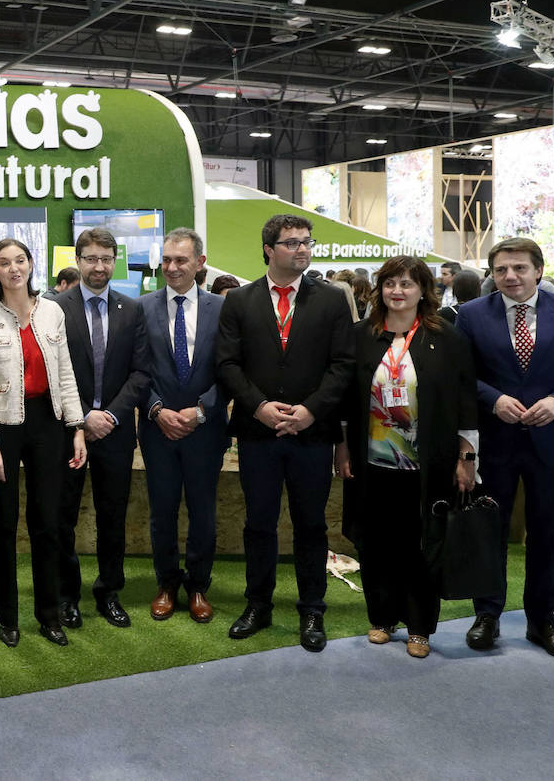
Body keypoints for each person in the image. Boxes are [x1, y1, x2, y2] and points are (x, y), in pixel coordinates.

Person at [215, 213, 355, 653]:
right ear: (268, 249)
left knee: (311, 525)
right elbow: (227, 364)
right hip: (259, 435)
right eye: (292, 243)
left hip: (312, 436)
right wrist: (258, 406)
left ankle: (313, 607)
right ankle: (258, 603)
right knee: (259, 524)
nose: (302, 249)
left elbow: (343, 366)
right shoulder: (238, 300)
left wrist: (311, 411)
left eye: (307, 242)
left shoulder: (332, 300)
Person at [335, 256, 478, 659]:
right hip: (373, 463)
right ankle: (381, 618)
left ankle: (419, 626)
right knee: (377, 542)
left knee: (423, 545)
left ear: (423, 291)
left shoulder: (446, 337)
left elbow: (465, 398)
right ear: (380, 289)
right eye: (390, 283)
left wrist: (466, 456)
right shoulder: (361, 335)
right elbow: (345, 397)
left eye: (407, 284)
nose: (398, 291)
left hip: (427, 464)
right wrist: (341, 444)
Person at [455, 237, 554, 662]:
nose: (510, 276)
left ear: (538, 270)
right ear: (491, 274)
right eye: (501, 270)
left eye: (519, 268)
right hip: (495, 443)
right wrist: (493, 399)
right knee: (488, 533)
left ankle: (542, 621)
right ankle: (487, 615)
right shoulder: (471, 316)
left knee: (546, 535)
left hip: (552, 442)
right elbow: (460, 377)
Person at [0, 238, 87, 647]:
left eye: (20, 260)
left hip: (48, 423)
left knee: (48, 524)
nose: (14, 268)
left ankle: (49, 614)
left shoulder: (53, 311)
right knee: (3, 526)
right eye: (4, 263)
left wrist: (76, 428)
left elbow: (66, 373)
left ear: (31, 264)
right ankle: (8, 618)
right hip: (2, 427)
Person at [51, 227, 149, 630]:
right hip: (68, 432)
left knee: (112, 516)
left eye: (106, 259)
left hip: (114, 431)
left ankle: (109, 592)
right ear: (78, 260)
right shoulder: (54, 308)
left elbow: (141, 373)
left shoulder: (133, 310)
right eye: (91, 258)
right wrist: (82, 418)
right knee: (64, 517)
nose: (99, 266)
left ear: (115, 261)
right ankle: (66, 597)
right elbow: (56, 373)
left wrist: (109, 416)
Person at [139, 229, 230, 624]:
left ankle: (198, 587)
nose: (172, 268)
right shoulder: (140, 308)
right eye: (167, 260)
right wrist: (157, 409)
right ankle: (167, 584)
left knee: (202, 511)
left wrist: (201, 411)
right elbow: (134, 371)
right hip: (158, 430)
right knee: (162, 511)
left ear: (200, 262)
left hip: (205, 431)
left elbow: (231, 370)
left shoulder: (223, 310)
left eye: (181, 260)